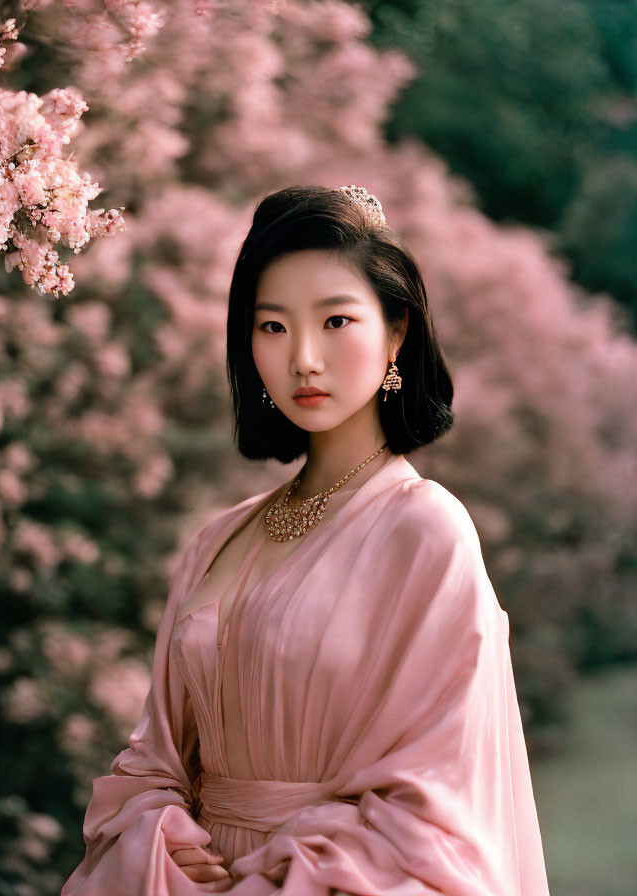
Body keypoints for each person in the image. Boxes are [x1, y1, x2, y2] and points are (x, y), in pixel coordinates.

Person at [61, 184, 550, 895]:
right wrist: (156, 827)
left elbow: (431, 794)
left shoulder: (426, 531)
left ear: (397, 331)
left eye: (336, 320)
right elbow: (154, 756)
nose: (304, 359)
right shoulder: (217, 540)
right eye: (273, 327)